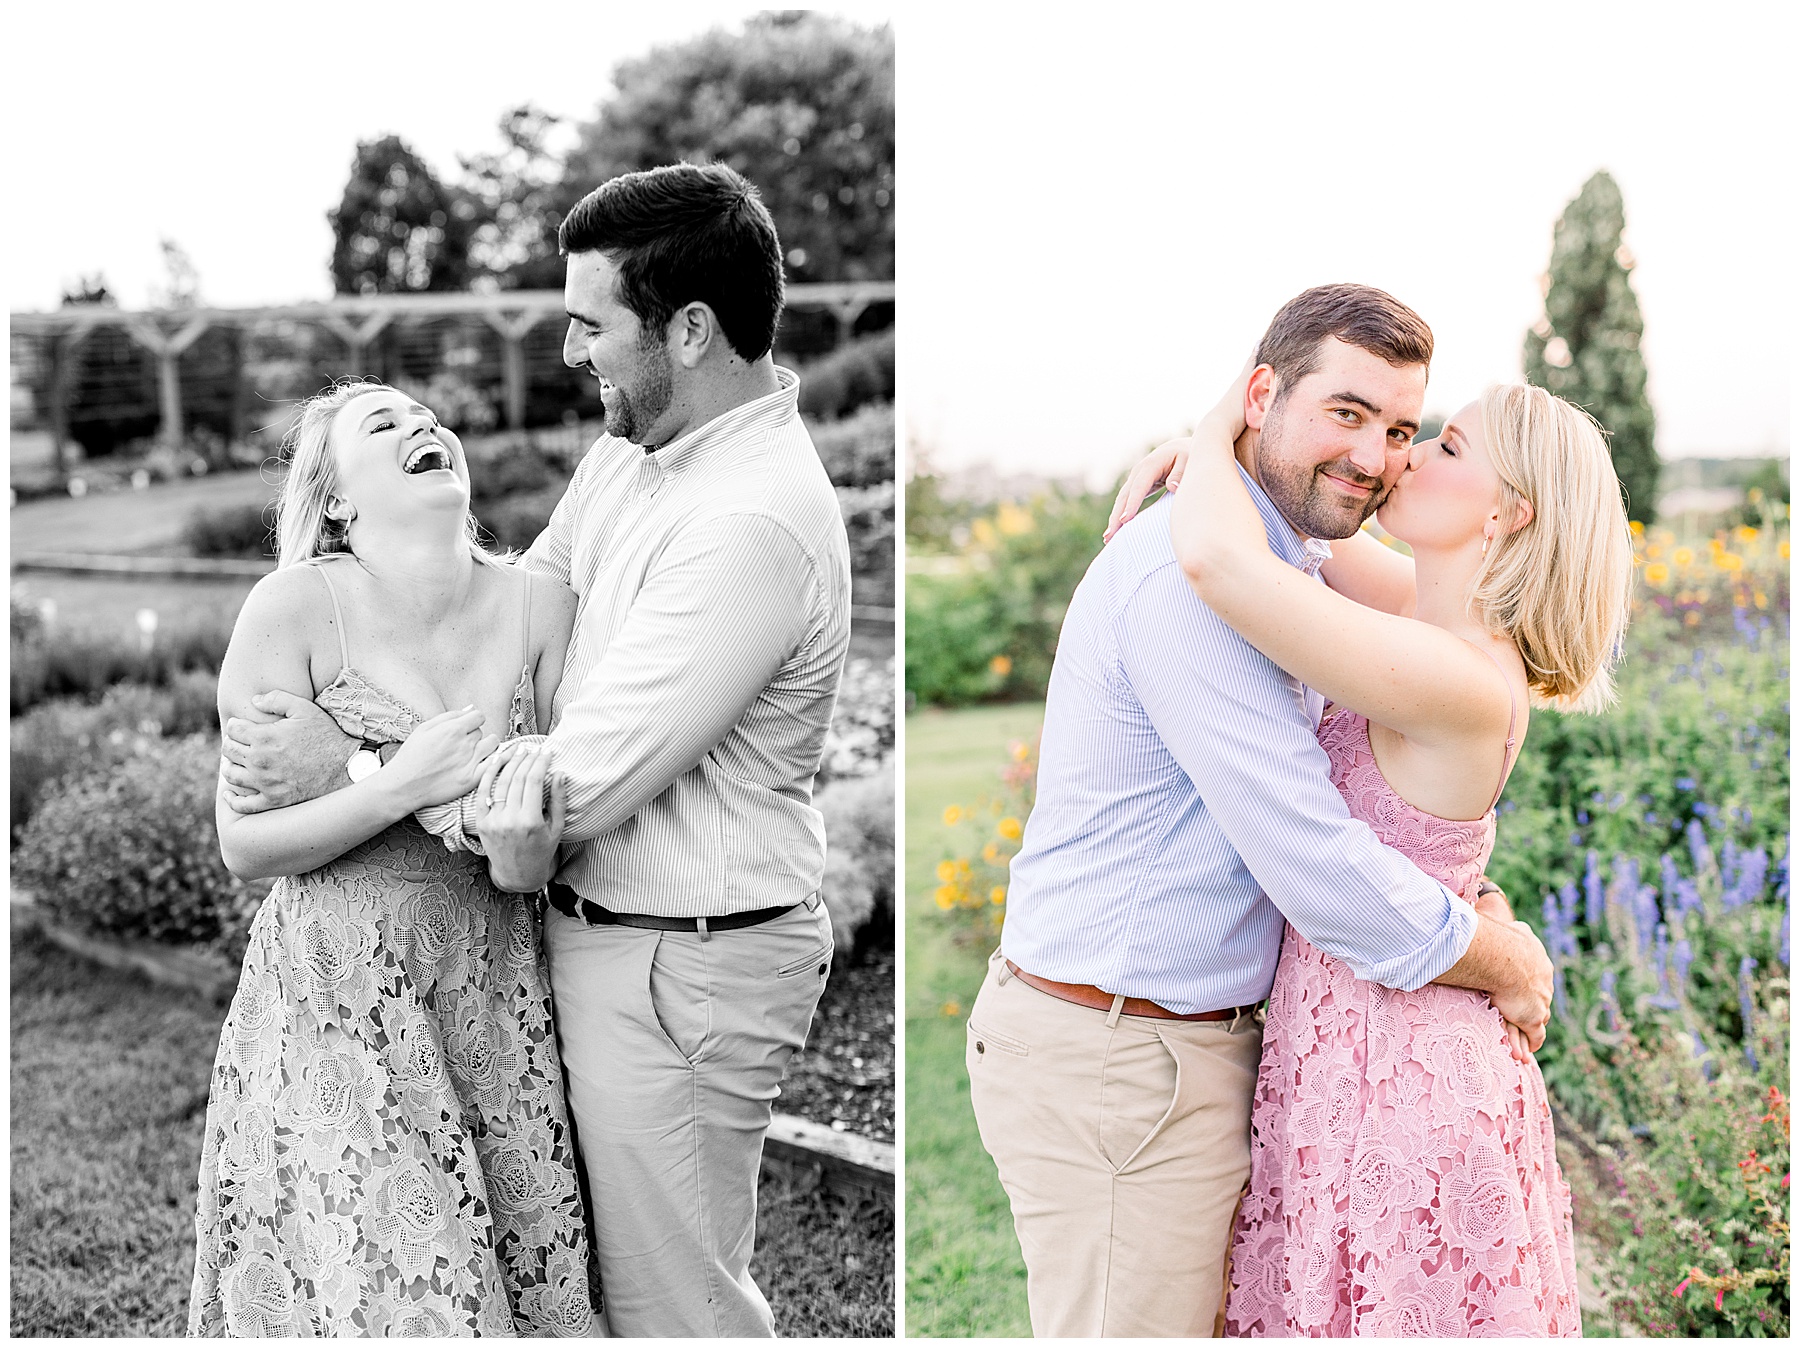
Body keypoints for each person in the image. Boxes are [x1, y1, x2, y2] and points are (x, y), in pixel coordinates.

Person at [217, 162, 851, 1337]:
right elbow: (542, 581)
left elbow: (555, 792)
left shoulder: (749, 524)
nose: (567, 352)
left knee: (676, 1313)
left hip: (681, 966)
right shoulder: (641, 449)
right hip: (582, 951)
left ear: (694, 330)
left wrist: (354, 768)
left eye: (589, 322)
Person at [964, 285, 1558, 1338]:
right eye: (1346, 413)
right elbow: (1321, 866)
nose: (1380, 458)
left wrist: (1207, 442)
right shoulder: (1202, 579)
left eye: (1404, 430)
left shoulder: (1301, 568)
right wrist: (1505, 956)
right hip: (1123, 1058)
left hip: (1233, 1057)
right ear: (1262, 396)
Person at [1120, 356, 1632, 1334]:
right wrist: (1220, 452)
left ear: (1507, 511)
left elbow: (1225, 566)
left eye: (1447, 445)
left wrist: (1236, 405)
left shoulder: (1460, 675)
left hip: (1401, 1081)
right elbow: (1295, 539)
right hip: (1351, 1047)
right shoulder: (1422, 612)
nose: (1411, 456)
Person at [189, 379, 592, 1336]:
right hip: (332, 1011)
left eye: (433, 420)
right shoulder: (291, 610)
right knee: (398, 1297)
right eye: (388, 424)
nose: (427, 427)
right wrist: (397, 784)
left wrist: (521, 852)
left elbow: (535, 855)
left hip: (490, 1003)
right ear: (336, 501)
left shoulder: (543, 609)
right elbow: (243, 842)